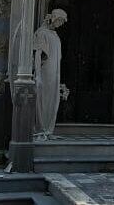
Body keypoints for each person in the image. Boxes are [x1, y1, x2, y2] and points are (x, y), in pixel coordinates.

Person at [33, 9, 68, 139]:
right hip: (45, 72)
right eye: (60, 21)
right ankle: (40, 129)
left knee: (53, 100)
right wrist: (37, 75)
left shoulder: (54, 35)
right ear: (54, 18)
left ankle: (48, 129)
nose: (61, 24)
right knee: (43, 100)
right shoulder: (42, 33)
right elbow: (37, 54)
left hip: (55, 72)